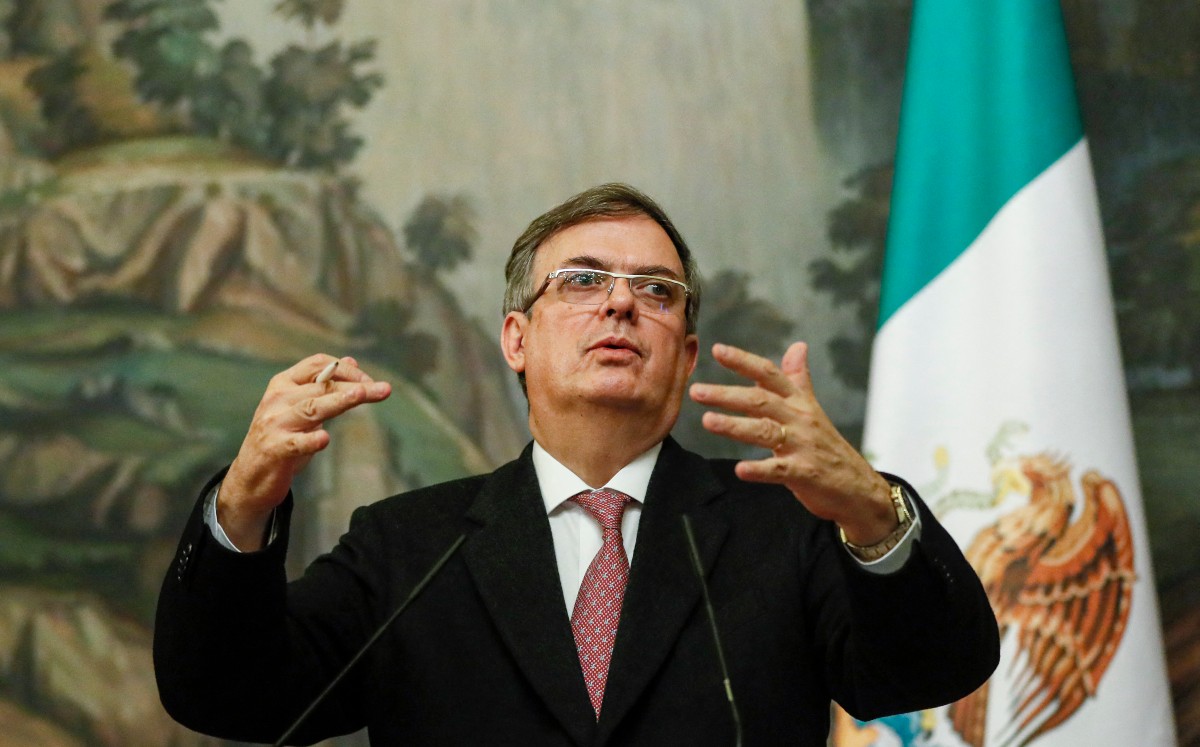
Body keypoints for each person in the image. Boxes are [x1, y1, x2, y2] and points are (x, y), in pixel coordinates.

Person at [154, 183, 999, 745]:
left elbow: (938, 669)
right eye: (583, 280)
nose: (622, 301)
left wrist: (870, 508)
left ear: (687, 351)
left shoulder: (788, 531)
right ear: (516, 338)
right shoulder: (409, 548)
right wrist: (241, 506)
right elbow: (228, 694)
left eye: (657, 290)